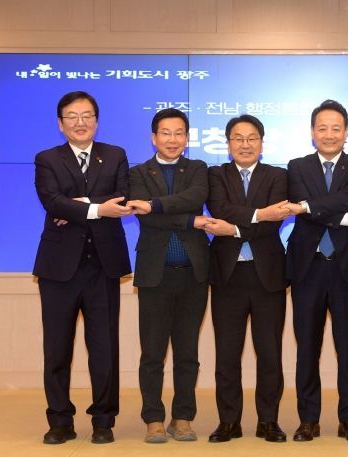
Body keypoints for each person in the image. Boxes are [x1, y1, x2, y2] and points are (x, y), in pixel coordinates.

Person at [33, 91, 132, 445]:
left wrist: (78, 206)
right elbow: (52, 200)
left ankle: (104, 420)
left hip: (103, 266)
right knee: (57, 349)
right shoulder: (47, 158)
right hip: (59, 268)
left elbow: (122, 197)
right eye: (72, 116)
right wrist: (97, 209)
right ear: (60, 124)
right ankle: (60, 420)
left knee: (104, 348)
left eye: (87, 115)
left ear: (97, 120)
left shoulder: (115, 154)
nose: (80, 122)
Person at [283, 99, 348, 442]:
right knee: (307, 348)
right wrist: (346, 217)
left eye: (336, 128)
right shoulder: (297, 166)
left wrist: (309, 207)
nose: (329, 134)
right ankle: (308, 419)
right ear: (312, 132)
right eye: (322, 128)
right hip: (308, 268)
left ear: (346, 132)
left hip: (347, 268)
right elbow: (329, 206)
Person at [203, 114, 291, 443]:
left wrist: (237, 229)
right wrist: (260, 213)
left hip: (267, 276)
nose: (245, 144)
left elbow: (274, 222)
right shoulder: (216, 175)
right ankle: (229, 421)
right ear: (228, 144)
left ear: (262, 143)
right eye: (238, 138)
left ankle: (268, 420)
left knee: (269, 353)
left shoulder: (278, 176)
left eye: (252, 138)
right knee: (227, 354)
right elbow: (220, 209)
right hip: (227, 276)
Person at [126, 108, 210, 444]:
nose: (172, 139)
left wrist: (156, 204)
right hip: (155, 274)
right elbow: (145, 217)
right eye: (165, 133)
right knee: (153, 353)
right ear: (153, 137)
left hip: (193, 273)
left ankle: (183, 417)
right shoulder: (137, 173)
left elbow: (195, 197)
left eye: (178, 133)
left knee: (188, 352)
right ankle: (153, 418)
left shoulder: (199, 169)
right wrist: (189, 220)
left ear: (187, 138)